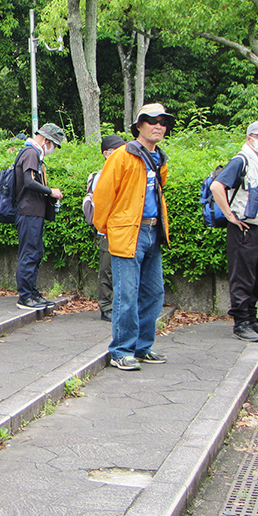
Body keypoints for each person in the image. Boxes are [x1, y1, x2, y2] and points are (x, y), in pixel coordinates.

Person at [93, 103, 173, 370]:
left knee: (153, 293)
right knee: (126, 294)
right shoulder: (123, 155)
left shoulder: (159, 156)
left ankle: (142, 346)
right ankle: (120, 350)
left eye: (163, 121)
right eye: (151, 120)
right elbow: (103, 194)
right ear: (139, 125)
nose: (158, 125)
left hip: (153, 231)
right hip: (128, 232)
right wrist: (106, 227)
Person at [209, 121, 258, 342]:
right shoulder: (242, 160)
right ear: (251, 139)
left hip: (254, 226)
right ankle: (241, 322)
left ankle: (251, 318)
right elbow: (217, 186)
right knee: (243, 275)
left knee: (254, 276)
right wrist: (230, 216)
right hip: (244, 227)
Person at [13, 122, 65, 310]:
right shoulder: (31, 153)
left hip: (34, 212)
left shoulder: (34, 154)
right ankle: (25, 296)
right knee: (29, 252)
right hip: (28, 212)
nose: (53, 149)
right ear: (45, 139)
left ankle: (32, 292)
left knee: (35, 252)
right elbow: (29, 182)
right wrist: (50, 191)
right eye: (53, 144)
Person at [82, 134, 126, 321]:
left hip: (122, 229)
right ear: (107, 154)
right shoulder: (100, 176)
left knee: (120, 269)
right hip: (107, 230)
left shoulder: (123, 172)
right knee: (107, 270)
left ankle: (115, 306)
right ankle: (106, 307)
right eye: (117, 151)